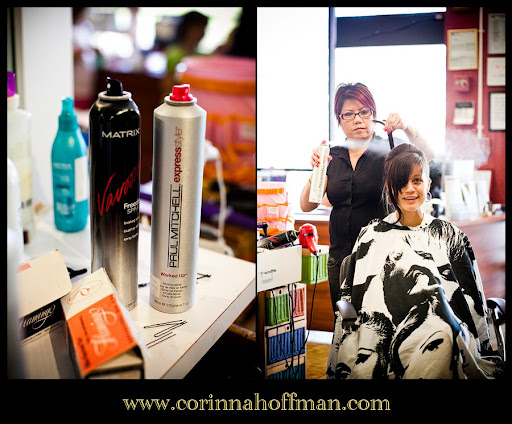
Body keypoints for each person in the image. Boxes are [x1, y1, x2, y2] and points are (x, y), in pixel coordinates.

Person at [326, 143, 503, 379]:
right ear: (388, 187)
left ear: (428, 184)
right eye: (401, 182)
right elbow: (355, 299)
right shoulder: (371, 236)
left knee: (445, 335)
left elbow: (471, 301)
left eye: (417, 181)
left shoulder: (449, 235)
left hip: (444, 331)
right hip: (384, 336)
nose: (409, 189)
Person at [300, 82, 435, 311]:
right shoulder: (333, 155)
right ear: (339, 119)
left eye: (364, 112)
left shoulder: (391, 150)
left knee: (378, 322)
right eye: (349, 114)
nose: (358, 119)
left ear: (373, 115)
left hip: (382, 258)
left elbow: (428, 155)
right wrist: (317, 170)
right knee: (344, 321)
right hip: (340, 258)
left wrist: (406, 127)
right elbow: (307, 205)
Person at [164, 11, 209, 85]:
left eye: (204, 29)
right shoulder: (174, 54)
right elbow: (167, 84)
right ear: (187, 29)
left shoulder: (201, 56)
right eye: (199, 28)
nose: (202, 33)